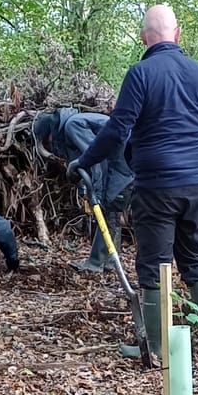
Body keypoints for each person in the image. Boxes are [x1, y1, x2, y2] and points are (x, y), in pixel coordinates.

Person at [73, 4, 198, 362]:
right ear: (177, 34)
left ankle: (157, 348)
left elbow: (117, 131)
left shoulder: (140, 73)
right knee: (194, 257)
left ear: (143, 37)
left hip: (155, 188)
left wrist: (83, 161)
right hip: (196, 188)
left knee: (154, 264)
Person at [34, 108, 132, 273]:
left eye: (47, 140)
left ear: (50, 132)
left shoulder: (73, 125)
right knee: (111, 212)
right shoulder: (73, 128)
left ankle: (95, 263)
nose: (48, 144)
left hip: (122, 164)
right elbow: (84, 164)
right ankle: (110, 262)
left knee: (107, 210)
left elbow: (97, 158)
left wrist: (97, 193)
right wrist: (86, 190)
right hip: (120, 163)